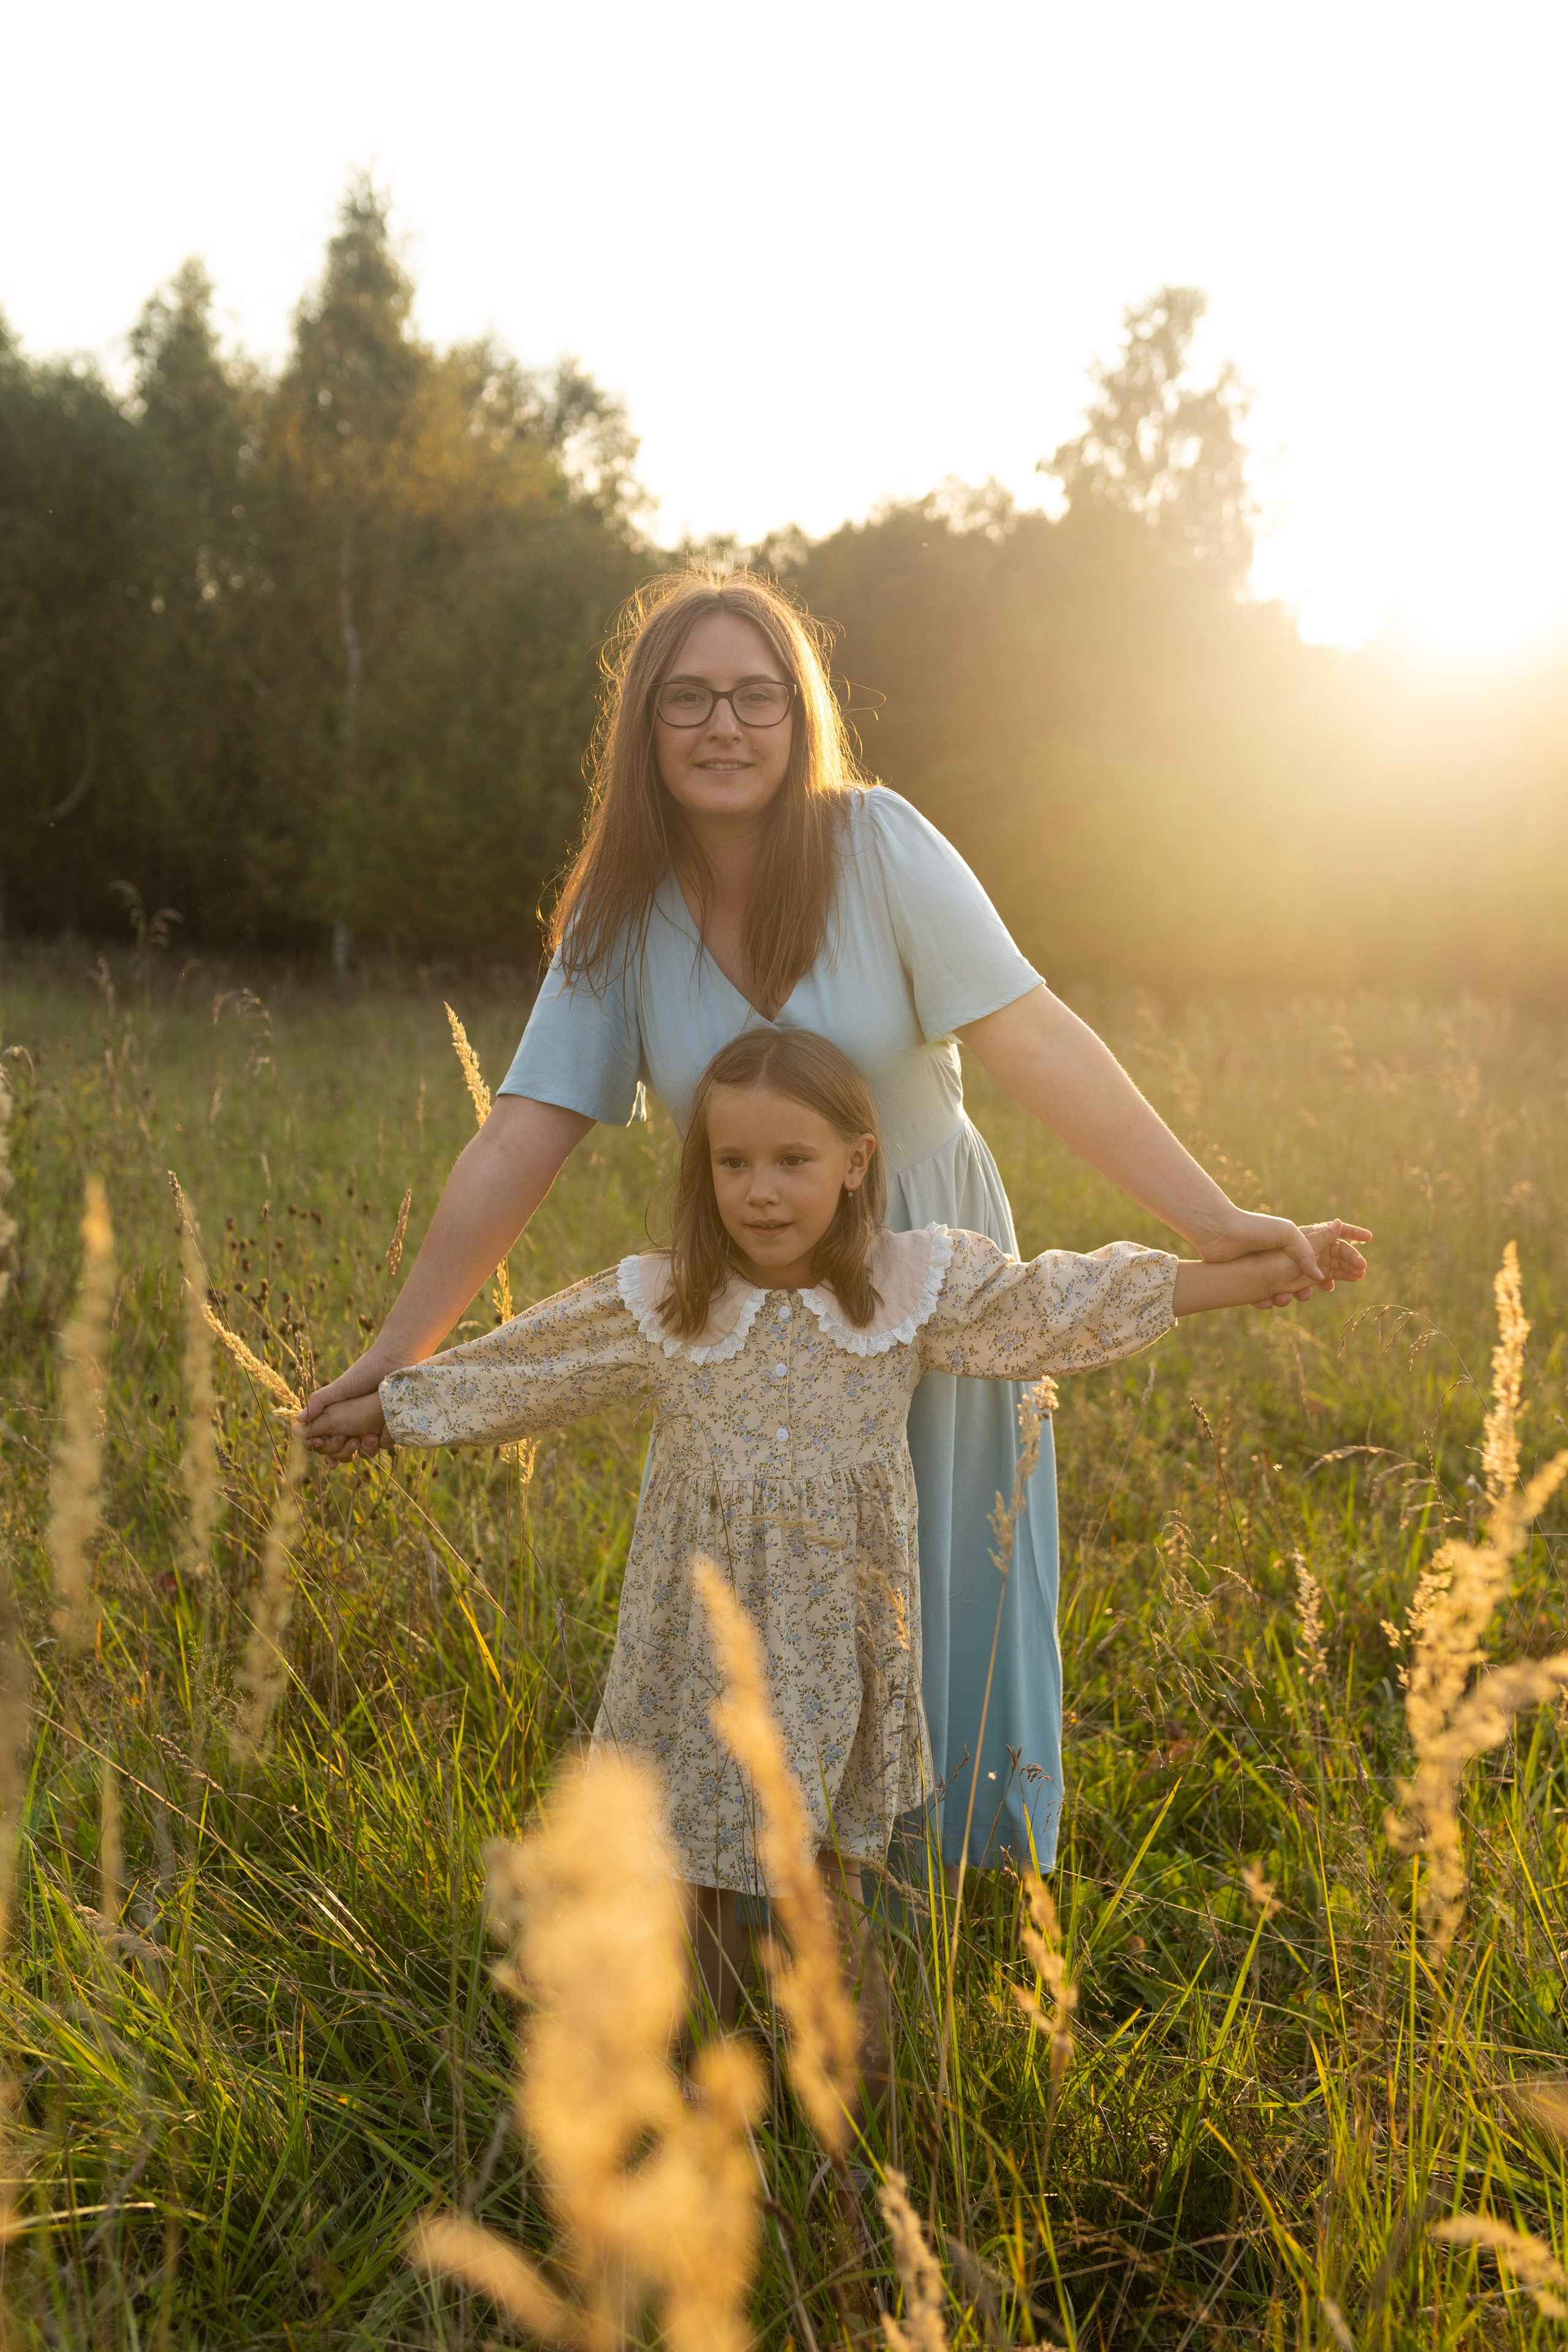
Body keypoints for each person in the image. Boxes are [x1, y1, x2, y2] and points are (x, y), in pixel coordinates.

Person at [301, 567, 1370, 1872]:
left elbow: (1027, 1032)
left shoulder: (879, 843)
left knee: (939, 1568)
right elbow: (522, 1128)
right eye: (685, 699)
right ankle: (776, 1876)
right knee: (770, 1577)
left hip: (917, 1254)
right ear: (644, 729)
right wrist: (400, 1357)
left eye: (755, 697)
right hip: (747, 1283)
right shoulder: (617, 909)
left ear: (797, 718)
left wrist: (1206, 1219)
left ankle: (943, 1891)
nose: (722, 726)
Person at [302, 1027, 1366, 2024]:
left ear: (856, 1162)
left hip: (837, 1640)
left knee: (831, 1882)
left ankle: (860, 2104)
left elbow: (1061, 1303)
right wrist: (386, 1409)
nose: (760, 1192)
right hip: (696, 1640)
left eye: (792, 1161)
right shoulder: (667, 1303)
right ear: (703, 1170)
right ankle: (702, 2085)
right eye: (734, 1164)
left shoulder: (905, 1290)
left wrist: (1260, 1266)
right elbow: (527, 1369)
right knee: (696, 1870)